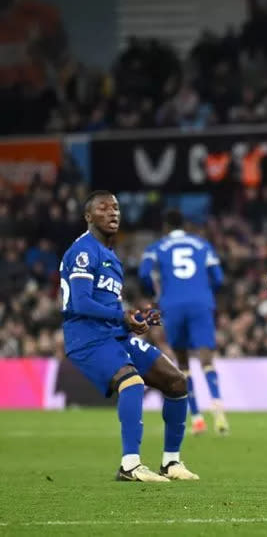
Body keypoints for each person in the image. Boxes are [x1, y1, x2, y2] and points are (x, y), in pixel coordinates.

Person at [60, 190, 199, 481]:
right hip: (86, 338)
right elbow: (81, 303)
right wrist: (122, 317)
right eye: (103, 208)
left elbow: (109, 308)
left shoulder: (112, 257)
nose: (113, 213)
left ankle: (171, 462)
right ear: (88, 216)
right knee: (131, 381)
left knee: (176, 382)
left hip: (113, 335)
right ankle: (130, 465)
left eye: (116, 208)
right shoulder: (84, 251)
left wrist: (136, 319)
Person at [138, 209, 227, 436]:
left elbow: (144, 274)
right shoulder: (202, 244)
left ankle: (197, 418)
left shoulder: (156, 247)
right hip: (201, 303)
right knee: (207, 359)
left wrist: (155, 293)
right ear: (185, 225)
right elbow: (218, 277)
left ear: (166, 227)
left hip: (172, 305)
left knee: (183, 363)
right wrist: (205, 292)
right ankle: (218, 410)